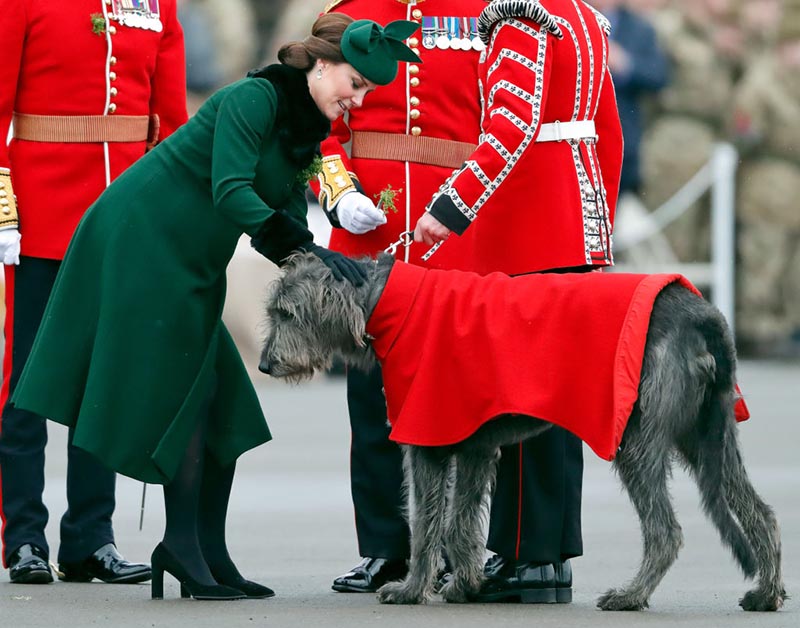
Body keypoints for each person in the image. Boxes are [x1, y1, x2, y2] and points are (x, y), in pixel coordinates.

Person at [10, 13, 421, 600]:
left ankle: (207, 550)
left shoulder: (302, 124)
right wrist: (307, 250)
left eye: (366, 92)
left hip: (191, 257)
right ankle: (181, 546)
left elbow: (280, 212)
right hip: (144, 240)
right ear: (321, 65)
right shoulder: (255, 99)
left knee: (223, 397)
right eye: (354, 84)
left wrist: (321, 259)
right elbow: (231, 191)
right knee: (191, 391)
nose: (357, 100)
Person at [415, 0, 623, 603]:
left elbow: (512, 124)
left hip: (529, 225)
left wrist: (452, 206)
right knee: (558, 403)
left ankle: (525, 556)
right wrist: (595, 228)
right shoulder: (585, 17)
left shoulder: (523, 18)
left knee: (523, 399)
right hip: (574, 220)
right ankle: (550, 559)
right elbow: (607, 132)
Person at [0, 0, 187, 585]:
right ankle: (23, 537)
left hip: (123, 219)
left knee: (103, 383)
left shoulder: (157, 5)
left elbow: (170, 123)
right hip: (41, 215)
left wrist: (169, 215)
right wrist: (3, 207)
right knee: (27, 384)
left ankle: (89, 538)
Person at [312, 0, 483, 595]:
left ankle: (458, 550)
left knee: (462, 403)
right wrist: (337, 192)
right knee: (370, 402)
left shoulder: (485, 13)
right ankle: (384, 548)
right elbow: (318, 125)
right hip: (371, 235)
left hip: (453, 231)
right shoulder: (350, 12)